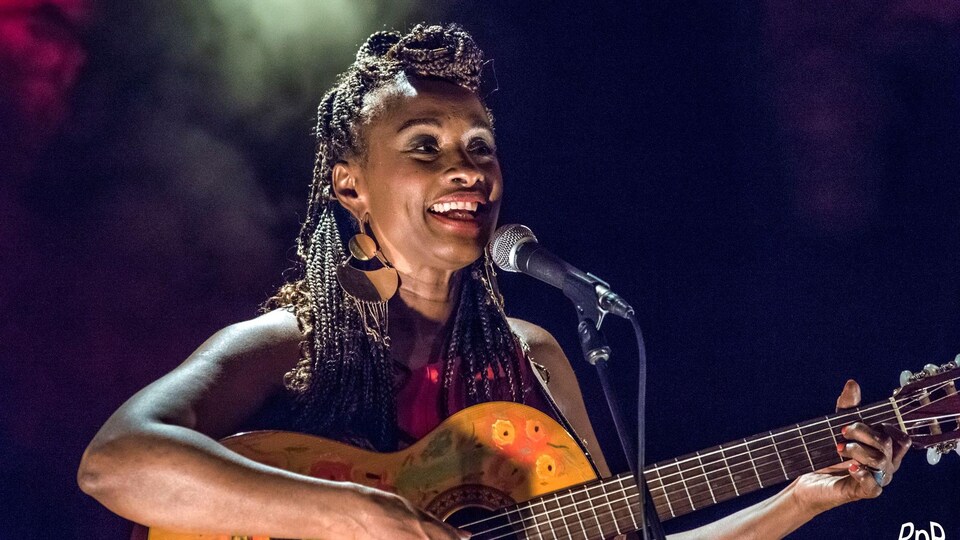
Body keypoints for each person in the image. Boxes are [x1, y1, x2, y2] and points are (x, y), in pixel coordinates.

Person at [78, 23, 910, 539]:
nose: (467, 170)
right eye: (425, 146)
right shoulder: (288, 347)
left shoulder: (534, 359)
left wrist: (803, 499)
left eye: (480, 146)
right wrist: (359, 516)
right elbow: (115, 464)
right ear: (350, 185)